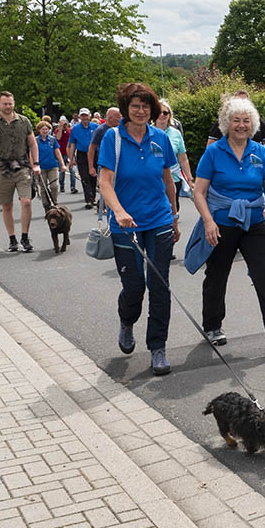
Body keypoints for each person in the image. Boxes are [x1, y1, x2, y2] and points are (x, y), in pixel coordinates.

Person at [192, 97, 265, 357]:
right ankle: (213, 326)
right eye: (236, 120)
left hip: (256, 221)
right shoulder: (214, 152)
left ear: (253, 124)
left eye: (246, 121)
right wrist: (208, 221)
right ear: (226, 124)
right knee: (217, 275)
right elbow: (199, 191)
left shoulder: (259, 151)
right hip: (222, 223)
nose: (241, 125)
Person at [98, 82, 180, 376]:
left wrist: (174, 216)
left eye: (146, 106)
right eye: (135, 106)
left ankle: (158, 347)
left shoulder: (161, 139)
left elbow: (168, 180)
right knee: (134, 287)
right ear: (125, 109)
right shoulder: (113, 139)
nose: (141, 111)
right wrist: (118, 212)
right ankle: (127, 321)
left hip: (158, 220)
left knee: (160, 285)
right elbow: (105, 182)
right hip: (125, 225)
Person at [0, 91, 41, 253]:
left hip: (22, 166)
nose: (8, 106)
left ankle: (25, 237)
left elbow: (33, 144)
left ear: (14, 103)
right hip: (1, 168)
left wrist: (36, 164)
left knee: (26, 201)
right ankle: (12, 239)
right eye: (5, 103)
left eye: (10, 103)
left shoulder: (24, 121)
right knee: (6, 205)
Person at [206, 89, 265, 167]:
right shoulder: (223, 122)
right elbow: (211, 143)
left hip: (253, 165)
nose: (241, 125)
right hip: (228, 163)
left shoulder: (259, 122)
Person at [155, 99, 193, 210]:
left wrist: (189, 179)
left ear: (169, 115)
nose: (162, 115)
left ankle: (172, 225)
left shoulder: (176, 134)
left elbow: (183, 158)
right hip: (154, 177)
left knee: (173, 207)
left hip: (174, 178)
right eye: (159, 112)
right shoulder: (147, 132)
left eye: (165, 113)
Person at [68, 108, 98, 208]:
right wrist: (71, 159)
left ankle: (92, 196)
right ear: (80, 117)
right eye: (82, 116)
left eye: (86, 115)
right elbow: (72, 144)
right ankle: (89, 199)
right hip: (82, 154)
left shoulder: (96, 127)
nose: (84, 118)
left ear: (89, 116)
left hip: (94, 154)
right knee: (84, 176)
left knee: (93, 176)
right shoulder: (75, 129)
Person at [35, 119, 66, 205]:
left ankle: (54, 203)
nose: (45, 131)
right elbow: (31, 154)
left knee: (54, 186)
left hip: (52, 165)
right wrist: (34, 166)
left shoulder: (52, 140)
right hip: (41, 167)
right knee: (43, 187)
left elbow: (57, 152)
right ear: (39, 130)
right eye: (43, 129)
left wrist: (62, 164)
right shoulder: (36, 141)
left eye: (46, 129)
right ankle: (46, 205)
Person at [90, 107, 122, 176]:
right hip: (105, 165)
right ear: (110, 118)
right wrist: (91, 167)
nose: (121, 119)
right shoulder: (100, 130)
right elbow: (92, 148)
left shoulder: (122, 129)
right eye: (118, 117)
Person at [55, 116, 72, 193]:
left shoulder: (70, 131)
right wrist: (60, 128)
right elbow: (58, 138)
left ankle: (73, 187)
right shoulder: (58, 130)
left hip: (69, 152)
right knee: (62, 170)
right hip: (61, 153)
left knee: (72, 170)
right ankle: (62, 185)